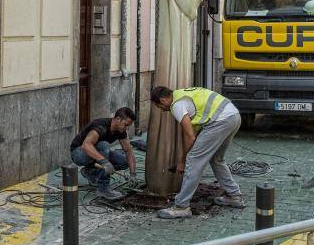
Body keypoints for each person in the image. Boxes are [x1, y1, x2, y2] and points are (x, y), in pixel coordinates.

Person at [150, 86, 243, 219]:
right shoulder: (183, 94)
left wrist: (182, 161)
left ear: (163, 100)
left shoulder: (177, 105)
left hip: (220, 121)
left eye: (159, 106)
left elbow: (190, 138)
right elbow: (196, 132)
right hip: (233, 116)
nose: (161, 109)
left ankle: (181, 206)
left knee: (193, 160)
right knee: (216, 159)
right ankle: (234, 196)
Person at [70, 107, 138, 201]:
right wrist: (105, 162)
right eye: (126, 125)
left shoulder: (120, 131)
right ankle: (103, 188)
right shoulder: (101, 126)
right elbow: (86, 145)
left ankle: (90, 171)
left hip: (96, 152)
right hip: (78, 153)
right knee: (104, 145)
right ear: (118, 119)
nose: (127, 128)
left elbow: (128, 151)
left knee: (124, 162)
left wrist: (133, 174)